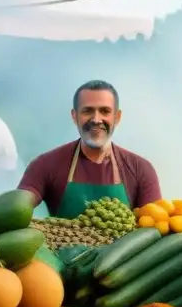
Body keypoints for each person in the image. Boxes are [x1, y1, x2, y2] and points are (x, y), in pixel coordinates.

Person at [17, 80, 162, 217]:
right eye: (87, 111)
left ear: (117, 117)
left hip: (127, 245)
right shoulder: (45, 164)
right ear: (75, 116)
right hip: (61, 243)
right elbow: (16, 208)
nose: (96, 119)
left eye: (105, 111)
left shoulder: (140, 169)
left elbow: (153, 225)